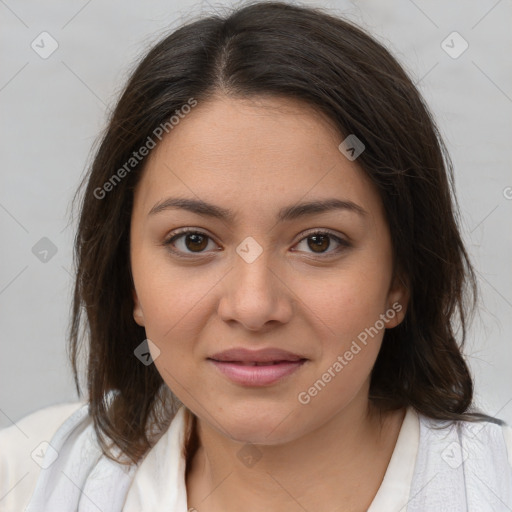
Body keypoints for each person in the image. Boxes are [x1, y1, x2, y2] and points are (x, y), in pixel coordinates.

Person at [1, 1, 511, 511]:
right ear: (128, 278)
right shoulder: (25, 478)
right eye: (193, 241)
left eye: (318, 242)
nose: (252, 306)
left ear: (400, 279)